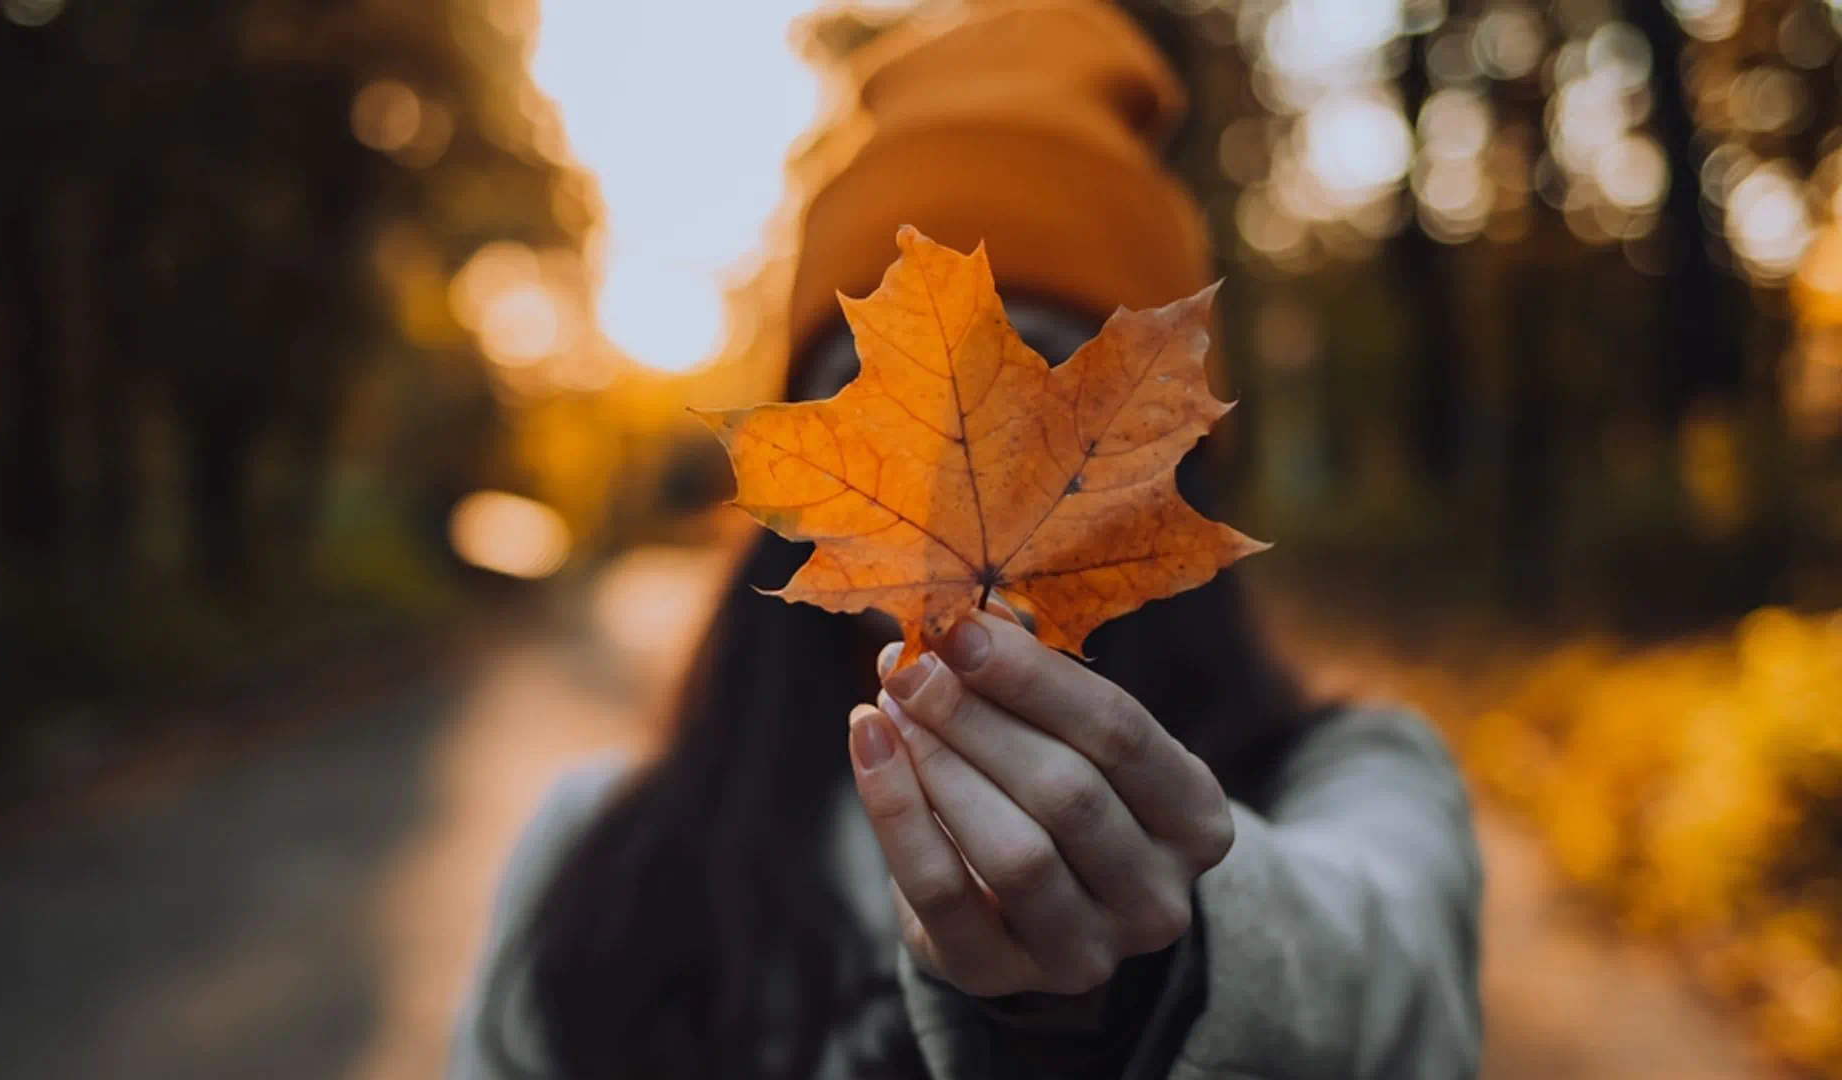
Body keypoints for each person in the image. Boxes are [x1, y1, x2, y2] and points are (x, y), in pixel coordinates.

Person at [449, 2, 1483, 1077]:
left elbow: (1380, 977)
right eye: (858, 386)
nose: (953, 482)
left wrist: (1156, 965)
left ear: (1169, 456)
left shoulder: (1360, 780)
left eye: (1035, 378)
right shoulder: (597, 856)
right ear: (786, 492)